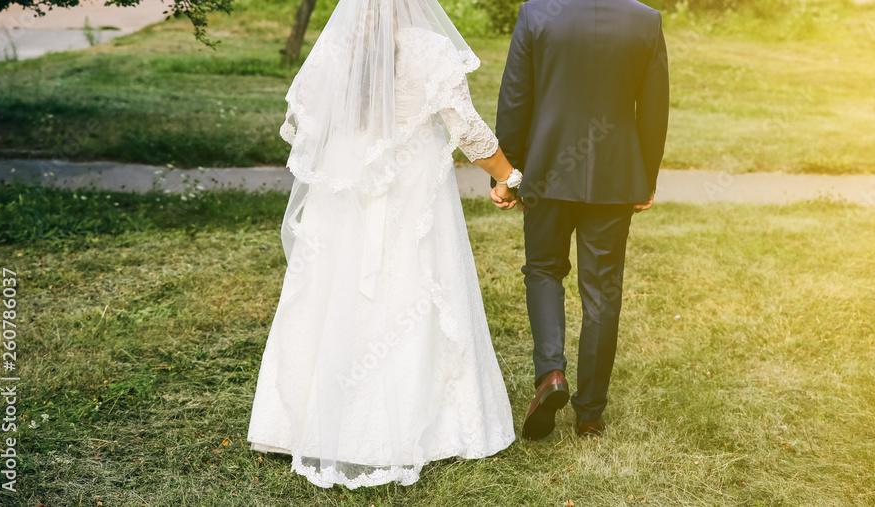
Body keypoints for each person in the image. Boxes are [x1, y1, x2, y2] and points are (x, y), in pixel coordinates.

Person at [246, 0, 523, 489]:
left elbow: (309, 117)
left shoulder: (338, 47)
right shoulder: (431, 49)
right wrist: (507, 176)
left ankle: (306, 422)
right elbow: (465, 125)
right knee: (412, 285)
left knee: (336, 285)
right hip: (410, 181)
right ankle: (420, 427)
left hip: (348, 179)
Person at [494, 0, 670, 440]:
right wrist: (645, 175)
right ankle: (590, 412)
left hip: (548, 168)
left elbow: (516, 96)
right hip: (614, 177)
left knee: (542, 270)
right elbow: (654, 107)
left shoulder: (537, 13)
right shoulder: (644, 19)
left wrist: (510, 173)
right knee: (603, 289)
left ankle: (551, 374)